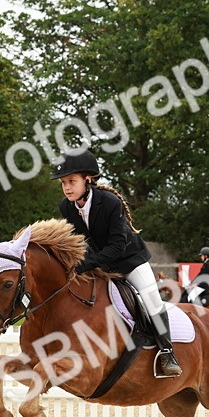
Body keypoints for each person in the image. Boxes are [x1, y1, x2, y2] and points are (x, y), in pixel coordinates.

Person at [51, 150, 181, 378]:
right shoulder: (67, 206)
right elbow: (78, 240)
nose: (67, 187)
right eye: (63, 183)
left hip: (129, 261)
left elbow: (117, 246)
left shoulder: (109, 203)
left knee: (151, 297)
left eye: (72, 181)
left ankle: (167, 351)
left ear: (87, 180)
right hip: (99, 264)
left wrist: (86, 264)